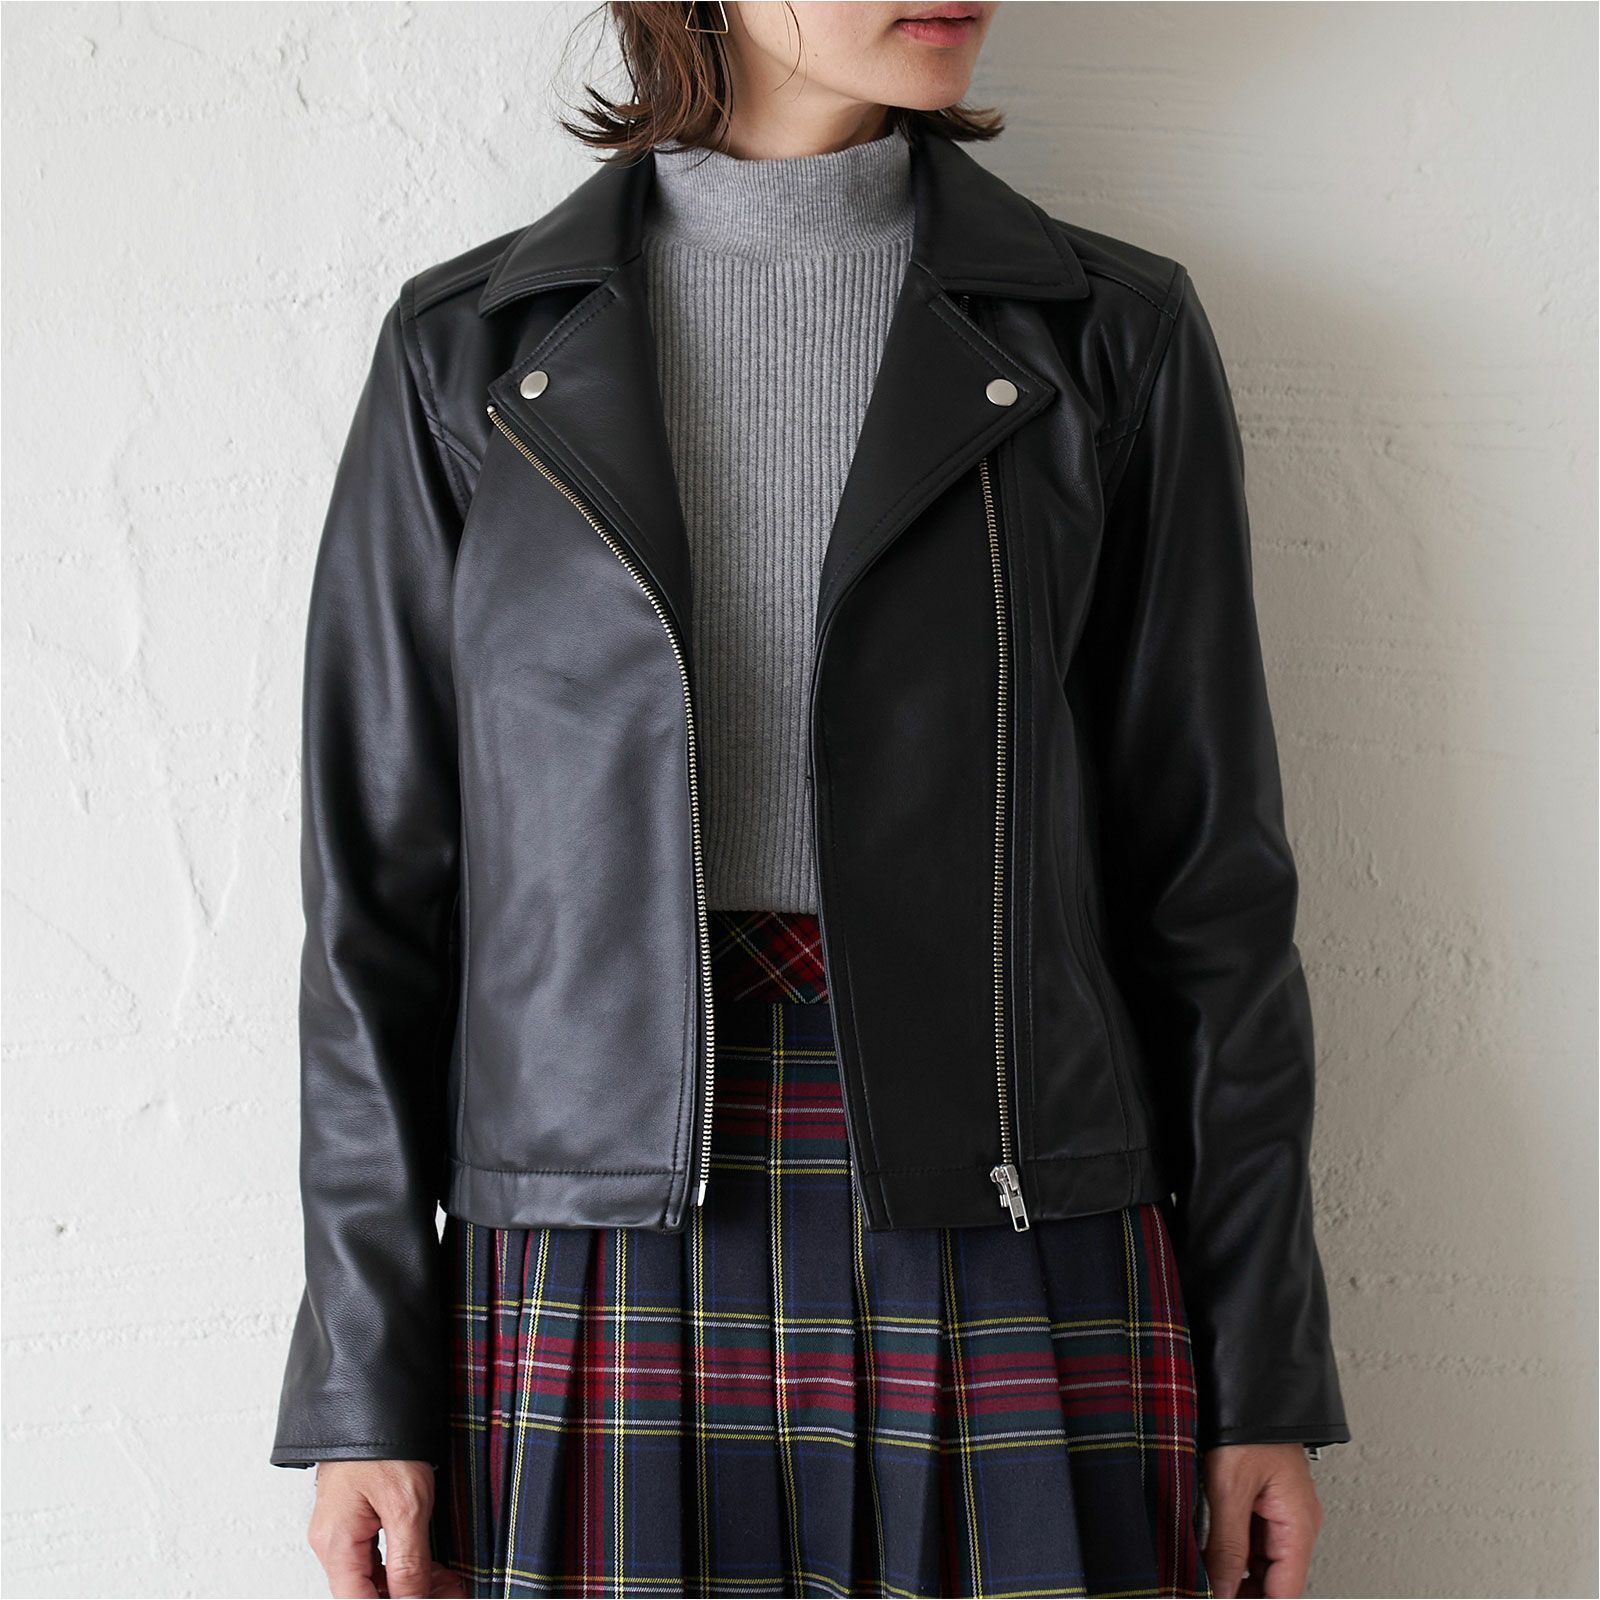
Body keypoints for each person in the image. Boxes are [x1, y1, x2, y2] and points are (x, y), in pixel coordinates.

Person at [271, 3, 1352, 1596]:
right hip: (595, 1234)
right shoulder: (471, 355)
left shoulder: (1109, 339)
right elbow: (373, 916)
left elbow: (1212, 897)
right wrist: (365, 1386)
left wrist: (1263, 1371)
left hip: (1017, 1210)